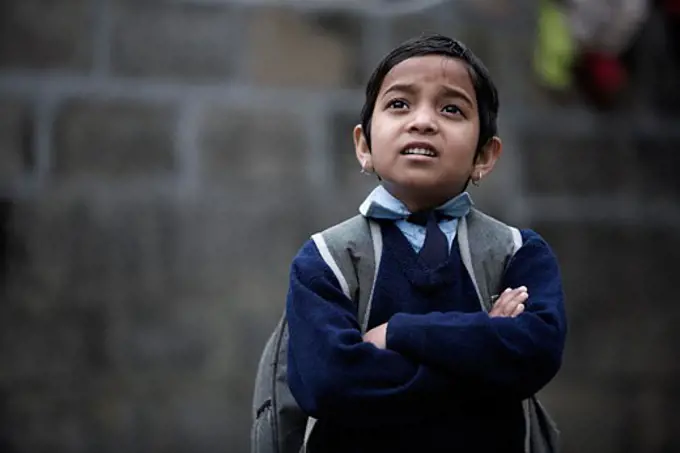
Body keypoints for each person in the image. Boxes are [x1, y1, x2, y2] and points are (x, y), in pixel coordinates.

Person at [285, 34, 567, 453]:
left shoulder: (516, 252)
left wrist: (398, 332)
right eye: (399, 104)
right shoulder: (327, 258)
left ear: (484, 156)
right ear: (364, 146)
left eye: (451, 108)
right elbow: (330, 384)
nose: (422, 121)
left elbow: (535, 352)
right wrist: (485, 344)